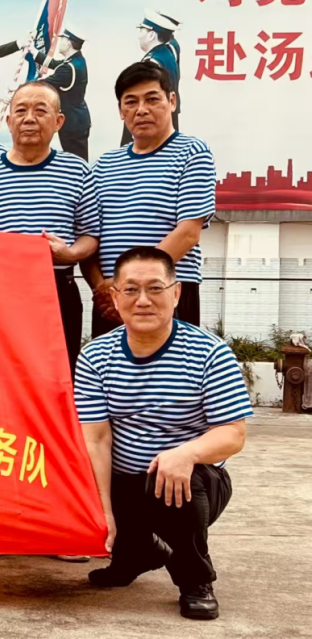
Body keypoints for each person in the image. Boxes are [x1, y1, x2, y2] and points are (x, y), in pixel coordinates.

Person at [76, 247, 253, 621]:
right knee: (79, 472)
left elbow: (232, 434)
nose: (143, 300)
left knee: (171, 476)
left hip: (194, 482)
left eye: (155, 288)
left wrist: (185, 453)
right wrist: (102, 510)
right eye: (131, 289)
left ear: (176, 293)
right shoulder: (95, 356)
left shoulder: (210, 352)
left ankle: (195, 580)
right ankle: (135, 554)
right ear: (114, 297)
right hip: (126, 478)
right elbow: (96, 439)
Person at [0, 81, 98, 372]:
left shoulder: (77, 171)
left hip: (57, 291)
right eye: (21, 111)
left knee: (58, 376)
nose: (29, 118)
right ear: (9, 120)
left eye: (41, 111)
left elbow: (90, 234)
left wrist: (70, 254)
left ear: (59, 121)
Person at [83, 62, 214, 338]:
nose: (141, 109)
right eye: (131, 102)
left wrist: (130, 287)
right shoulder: (104, 165)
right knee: (109, 367)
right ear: (121, 110)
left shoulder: (192, 153)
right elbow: (89, 237)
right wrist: (103, 290)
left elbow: (188, 233)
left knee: (172, 368)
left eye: (152, 99)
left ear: (172, 101)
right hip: (110, 301)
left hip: (167, 293)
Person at [122, 12, 181, 145]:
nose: (139, 36)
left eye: (141, 30)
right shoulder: (168, 53)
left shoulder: (152, 62)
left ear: (151, 35)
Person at [38, 30, 91, 161]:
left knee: (76, 161)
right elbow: (55, 64)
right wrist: (33, 52)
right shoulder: (77, 60)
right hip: (79, 119)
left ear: (68, 43)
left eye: (62, 39)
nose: (59, 41)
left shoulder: (68, 68)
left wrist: (17, 87)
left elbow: (42, 85)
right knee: (79, 159)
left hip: (72, 123)